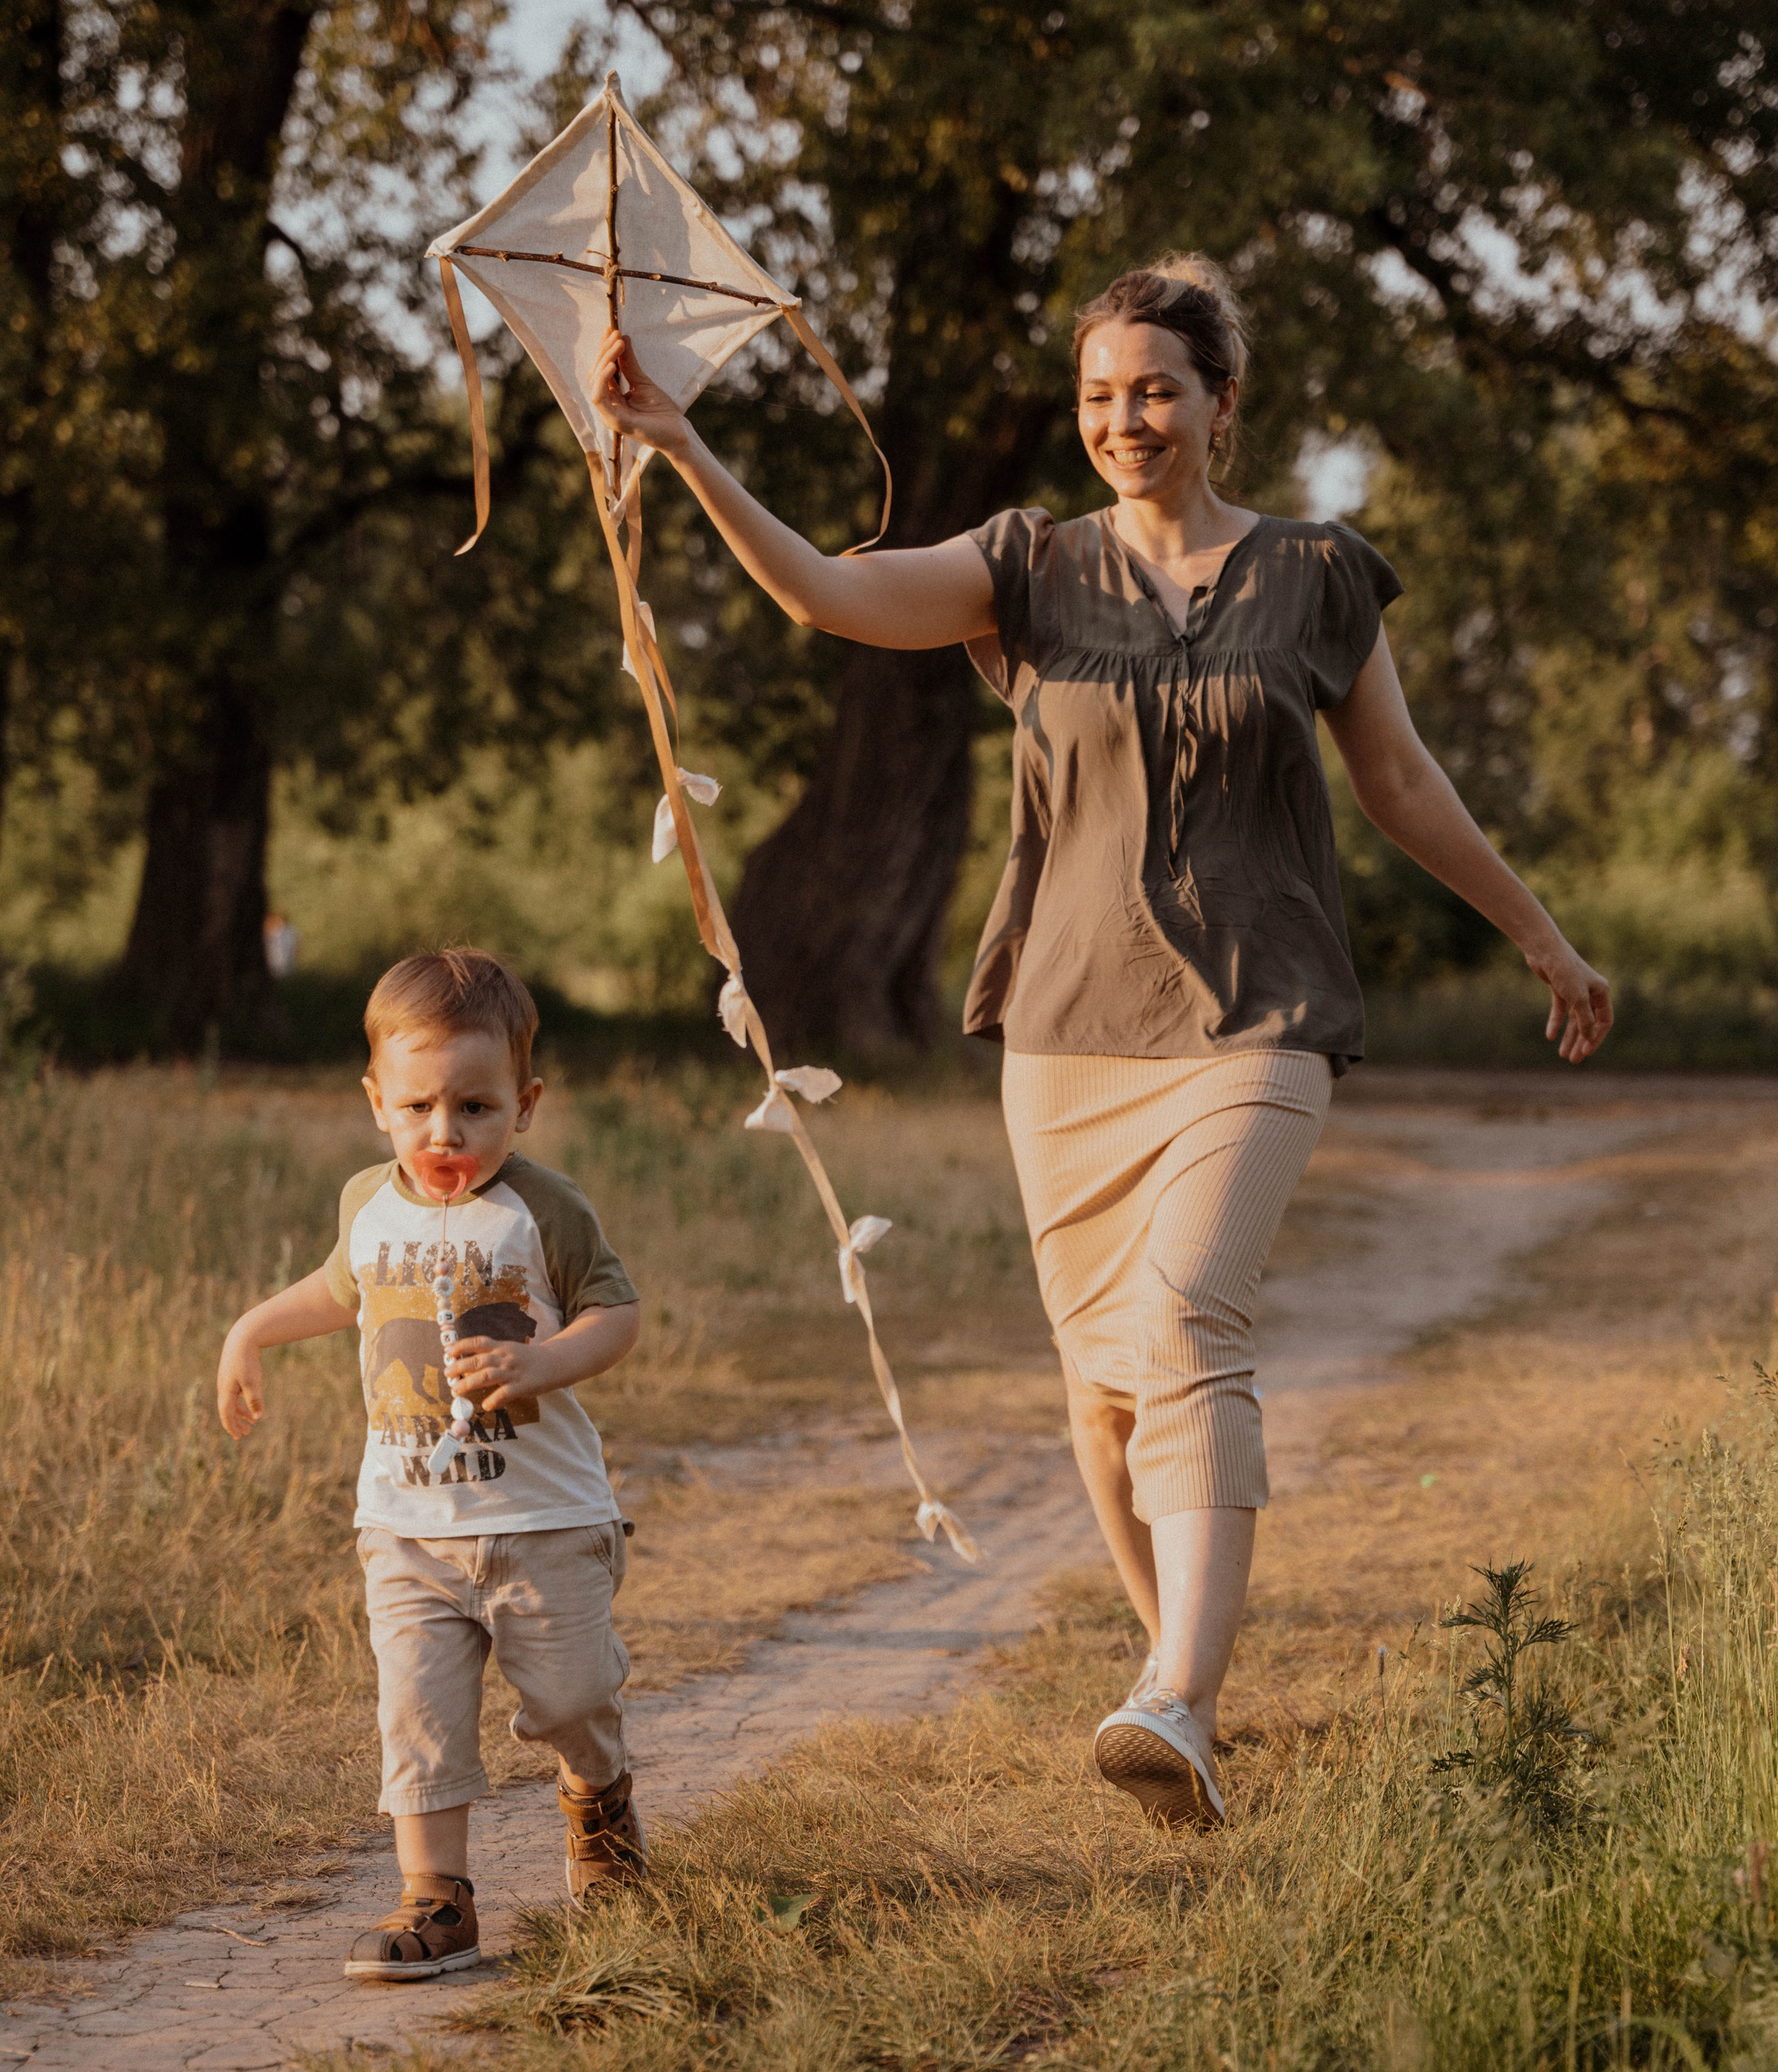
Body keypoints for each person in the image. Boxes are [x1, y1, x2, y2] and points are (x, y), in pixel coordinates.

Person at [590, 254, 1613, 1833]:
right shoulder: (1029, 566)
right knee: (1101, 1389)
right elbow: (826, 594)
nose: (1125, 419)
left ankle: (1179, 1696)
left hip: (1256, 1012)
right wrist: (679, 442)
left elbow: (1400, 783)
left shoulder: (1316, 573)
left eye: (1155, 390)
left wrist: (1540, 933)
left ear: (1220, 403)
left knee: (1187, 1315)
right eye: (1098, 395)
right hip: (1067, 1026)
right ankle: (1170, 1689)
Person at [217, 947, 647, 1976]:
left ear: (525, 1104)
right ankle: (437, 1897)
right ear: (377, 1102)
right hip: (407, 1530)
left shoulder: (544, 1208)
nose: (444, 1133)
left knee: (573, 1699)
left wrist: (543, 1359)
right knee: (417, 1716)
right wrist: (250, 1330)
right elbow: (341, 1289)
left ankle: (598, 1802)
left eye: (475, 1107)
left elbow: (617, 1313)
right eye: (417, 1107)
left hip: (544, 1523)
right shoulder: (368, 1201)